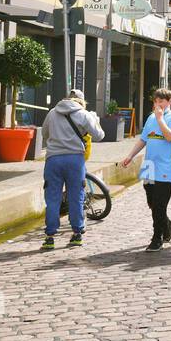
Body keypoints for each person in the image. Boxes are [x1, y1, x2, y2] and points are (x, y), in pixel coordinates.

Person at [39, 89, 104, 251]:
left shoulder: (52, 113)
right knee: (76, 196)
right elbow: (99, 135)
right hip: (75, 159)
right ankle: (76, 233)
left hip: (53, 159)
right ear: (81, 102)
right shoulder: (83, 114)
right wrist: (95, 121)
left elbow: (45, 134)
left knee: (52, 197)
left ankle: (49, 237)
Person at [122, 88, 171, 252]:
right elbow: (143, 140)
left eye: (161, 102)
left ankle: (157, 238)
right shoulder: (150, 118)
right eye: (155, 102)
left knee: (159, 204)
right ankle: (167, 223)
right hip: (149, 167)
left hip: (165, 167)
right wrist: (130, 156)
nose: (157, 105)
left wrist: (160, 118)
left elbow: (170, 137)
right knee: (152, 202)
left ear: (169, 102)